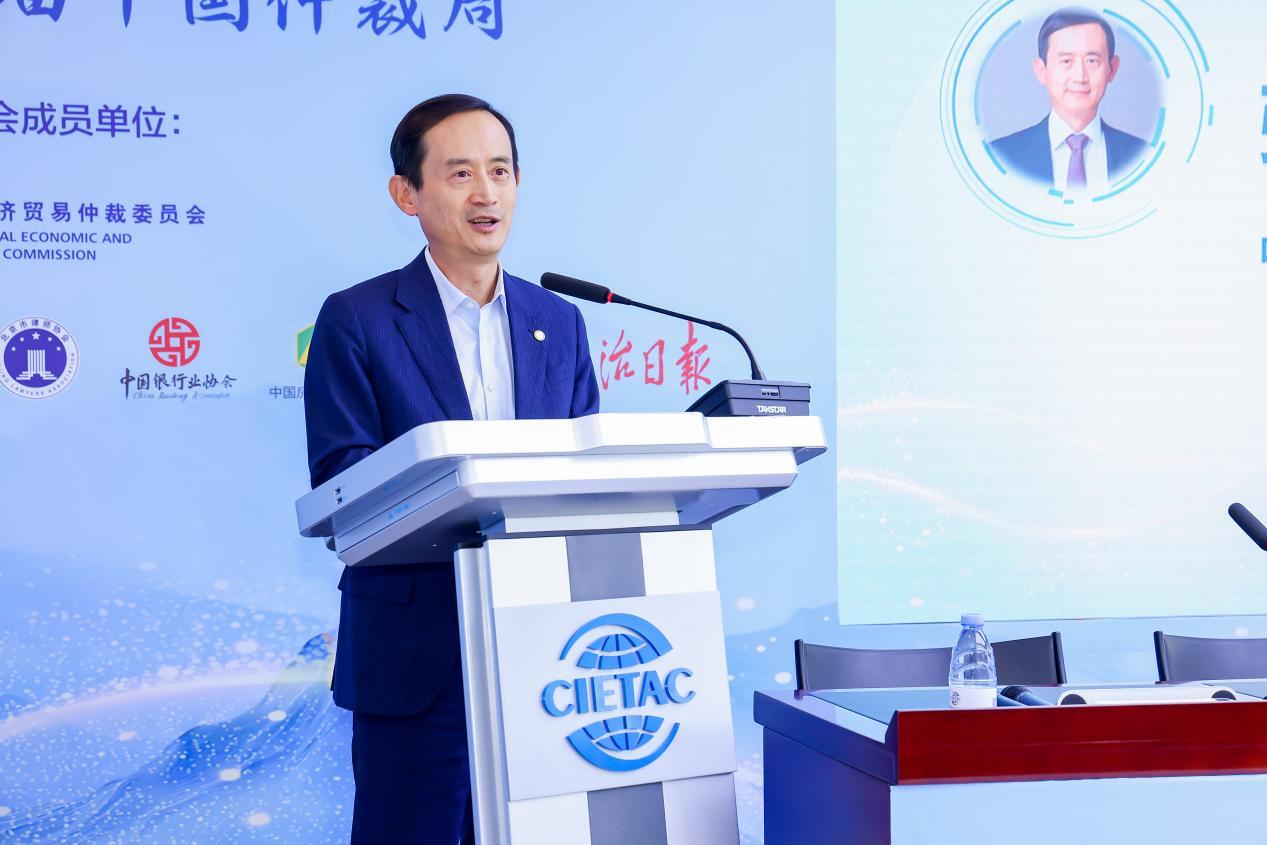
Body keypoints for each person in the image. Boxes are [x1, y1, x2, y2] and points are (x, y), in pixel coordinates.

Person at [303, 93, 600, 844]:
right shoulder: (359, 318)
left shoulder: (559, 320)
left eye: (500, 171)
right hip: (416, 652)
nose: (486, 193)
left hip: (548, 656)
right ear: (407, 194)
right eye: (460, 173)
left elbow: (586, 472)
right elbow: (343, 477)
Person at [990, 8, 1148, 192]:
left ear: (1112, 69)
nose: (1080, 77)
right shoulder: (1000, 156)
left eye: (1091, 61)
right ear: (1041, 70)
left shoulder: (1143, 156)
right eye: (1066, 61)